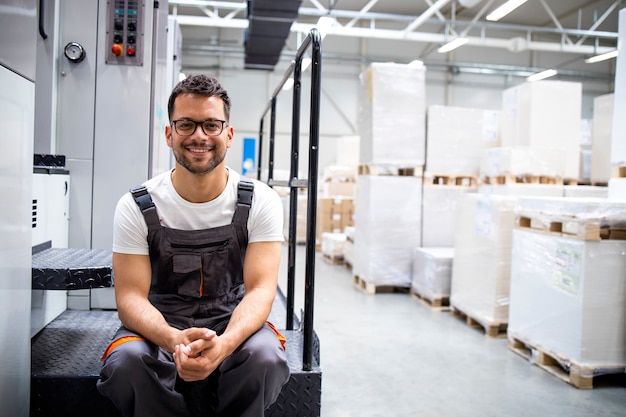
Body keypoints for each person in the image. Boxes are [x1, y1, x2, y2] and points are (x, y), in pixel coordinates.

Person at [97, 74, 290, 417]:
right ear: (169, 133)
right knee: (126, 364)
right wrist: (172, 339)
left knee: (266, 358)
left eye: (211, 125)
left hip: (234, 320)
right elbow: (129, 298)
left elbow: (261, 289)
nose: (199, 136)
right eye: (186, 124)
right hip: (159, 323)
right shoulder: (137, 206)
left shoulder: (260, 201)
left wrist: (225, 344)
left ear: (229, 135)